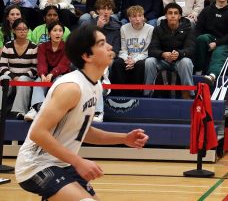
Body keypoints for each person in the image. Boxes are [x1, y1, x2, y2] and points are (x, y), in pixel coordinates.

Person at [15, 24, 148, 200]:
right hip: (35, 165)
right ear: (86, 56)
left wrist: (124, 138)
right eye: (101, 44)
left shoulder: (96, 86)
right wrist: (78, 161)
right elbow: (38, 133)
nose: (109, 47)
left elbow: (83, 131)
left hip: (61, 164)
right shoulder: (71, 88)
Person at [144, 3, 195, 97]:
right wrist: (162, 54)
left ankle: (188, 94)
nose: (173, 15)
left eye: (176, 13)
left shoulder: (188, 29)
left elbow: (191, 49)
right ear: (166, 16)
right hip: (162, 61)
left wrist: (179, 54)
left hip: (179, 61)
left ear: (179, 16)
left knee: (186, 62)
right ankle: (147, 93)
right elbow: (152, 49)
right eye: (170, 13)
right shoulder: (158, 29)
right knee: (149, 61)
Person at [25, 21, 72, 121]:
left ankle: (56, 111)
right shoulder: (42, 46)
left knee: (58, 82)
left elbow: (63, 65)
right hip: (46, 74)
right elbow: (41, 62)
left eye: (60, 31)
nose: (58, 33)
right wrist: (42, 74)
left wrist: (52, 74)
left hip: (61, 74)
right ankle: (36, 108)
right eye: (55, 30)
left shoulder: (67, 47)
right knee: (38, 81)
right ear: (49, 33)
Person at [195, 0, 228, 80]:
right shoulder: (207, 10)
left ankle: (212, 76)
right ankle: (198, 71)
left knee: (219, 51)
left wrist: (216, 43)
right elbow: (198, 29)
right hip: (209, 37)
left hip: (224, 42)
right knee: (201, 39)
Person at [110, 5, 153, 96]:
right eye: (134, 16)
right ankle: (121, 95)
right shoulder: (124, 28)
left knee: (140, 64)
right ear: (129, 18)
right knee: (117, 63)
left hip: (141, 57)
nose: (137, 19)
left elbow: (145, 52)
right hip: (128, 57)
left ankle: (136, 94)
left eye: (140, 16)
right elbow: (123, 49)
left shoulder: (150, 29)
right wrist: (127, 59)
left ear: (143, 17)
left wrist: (134, 60)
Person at [0, 18, 38, 119]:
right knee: (3, 78)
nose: (22, 31)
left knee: (23, 79)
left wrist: (22, 77)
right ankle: (0, 109)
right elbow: (2, 66)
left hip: (27, 78)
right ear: (14, 31)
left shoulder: (33, 47)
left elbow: (35, 68)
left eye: (25, 29)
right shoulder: (8, 46)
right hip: (11, 77)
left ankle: (19, 111)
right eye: (19, 29)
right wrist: (13, 76)